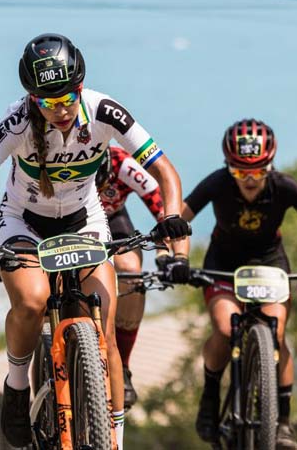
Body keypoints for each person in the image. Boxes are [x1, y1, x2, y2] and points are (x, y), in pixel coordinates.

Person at [0, 33, 190, 449]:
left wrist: (169, 216)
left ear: (81, 88)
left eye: (67, 99)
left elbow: (164, 171)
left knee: (105, 333)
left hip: (85, 220)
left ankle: (113, 436)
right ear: (32, 98)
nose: (59, 110)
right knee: (32, 300)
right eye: (47, 101)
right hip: (23, 223)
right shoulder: (18, 121)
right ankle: (17, 386)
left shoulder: (104, 111)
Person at [166, 118, 297, 450]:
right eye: (240, 173)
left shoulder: (286, 187)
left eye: (258, 172)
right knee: (225, 329)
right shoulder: (216, 183)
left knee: (277, 332)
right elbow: (177, 222)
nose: (249, 180)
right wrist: (178, 259)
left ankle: (281, 423)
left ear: (271, 165)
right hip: (223, 264)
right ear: (228, 168)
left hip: (269, 263)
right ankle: (210, 397)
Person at [96, 146, 167, 409]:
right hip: (66, 220)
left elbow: (162, 206)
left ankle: (122, 366)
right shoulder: (53, 159)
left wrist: (169, 253)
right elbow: (19, 201)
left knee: (131, 274)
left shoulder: (122, 163)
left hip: (112, 220)